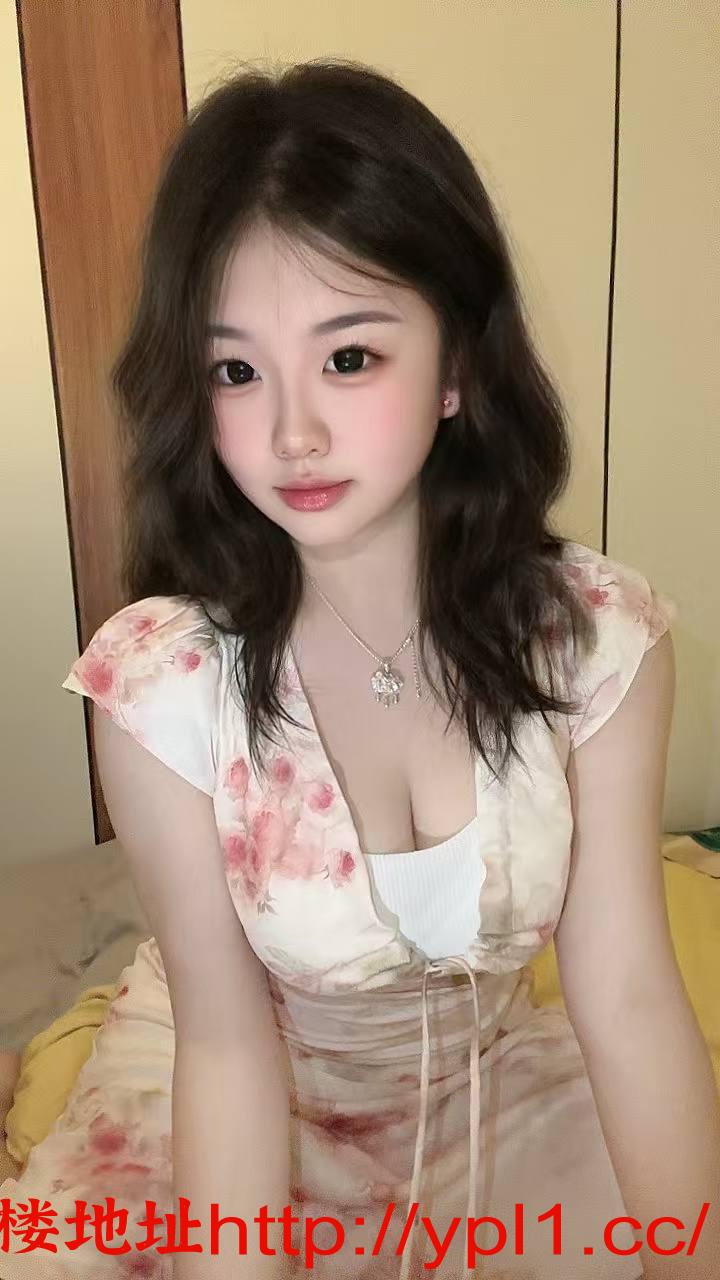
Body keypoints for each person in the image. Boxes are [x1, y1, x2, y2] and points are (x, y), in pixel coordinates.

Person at [2, 58, 717, 1280]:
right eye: (236, 371)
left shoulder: (595, 642)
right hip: (234, 1093)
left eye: (349, 358)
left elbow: (628, 993)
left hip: (489, 1093)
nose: (292, 433)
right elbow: (226, 1045)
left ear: (457, 367)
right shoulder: (164, 686)